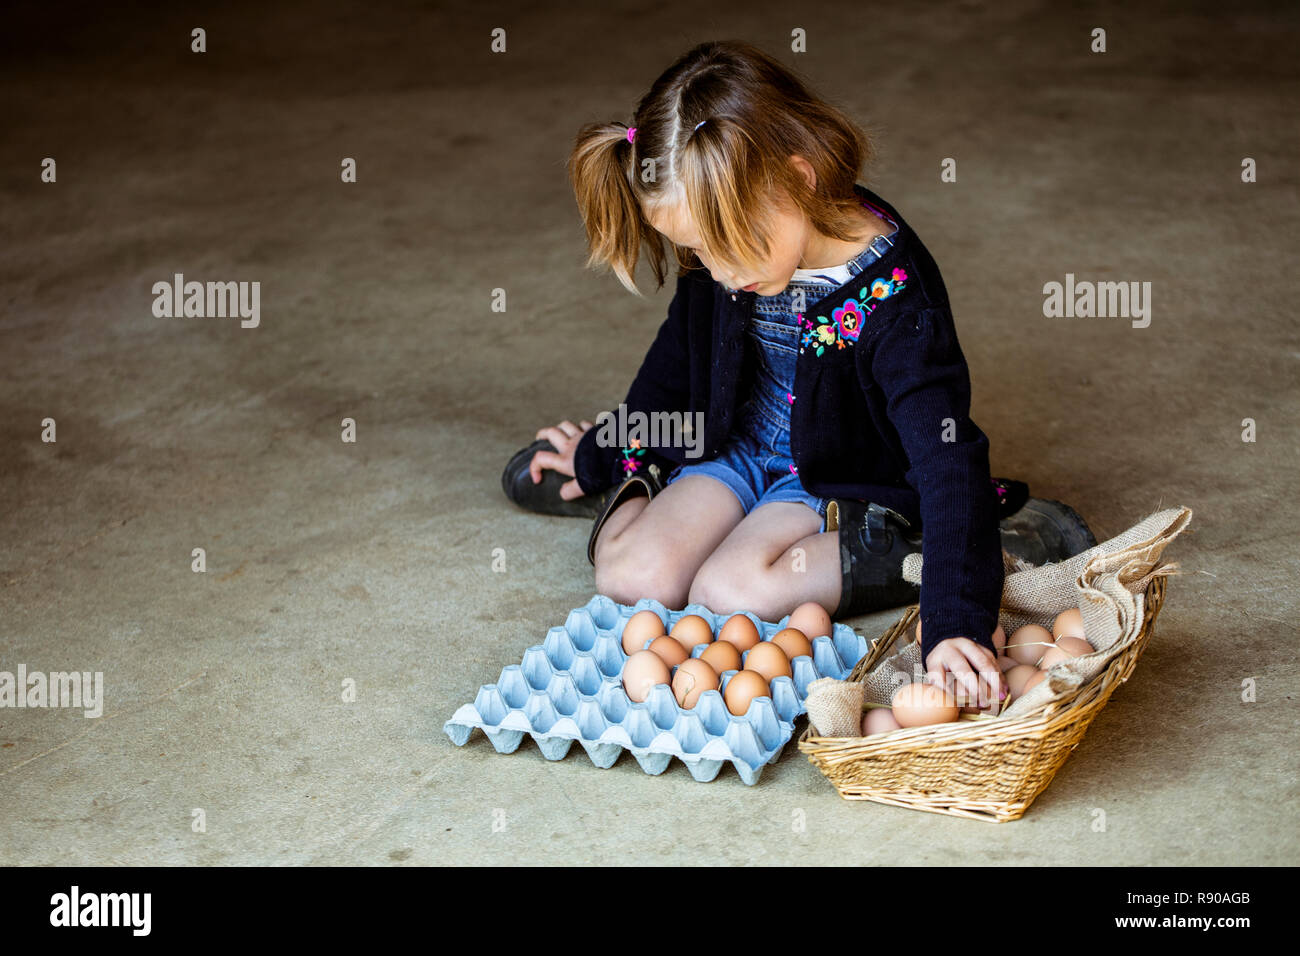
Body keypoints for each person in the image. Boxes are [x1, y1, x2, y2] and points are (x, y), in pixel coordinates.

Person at [501, 40, 1094, 712]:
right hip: (732, 446)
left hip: (831, 482)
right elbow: (675, 369)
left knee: (727, 596)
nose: (719, 272)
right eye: (697, 250)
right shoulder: (729, 243)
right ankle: (651, 476)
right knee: (630, 576)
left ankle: (937, 551)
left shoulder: (897, 303)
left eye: (727, 246)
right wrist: (604, 451)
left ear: (799, 178)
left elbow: (946, 455)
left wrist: (957, 616)